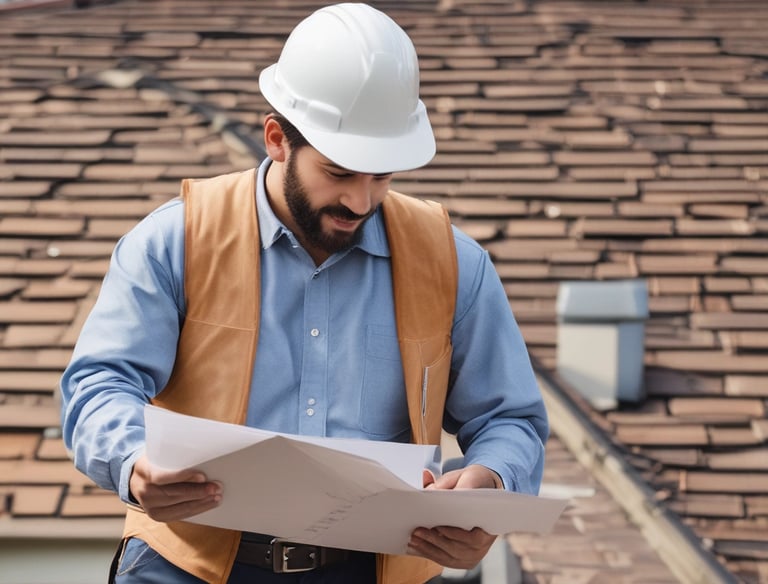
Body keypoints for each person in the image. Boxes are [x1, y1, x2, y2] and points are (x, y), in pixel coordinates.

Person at [60, 3, 548, 583]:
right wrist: (135, 459)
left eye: (383, 175)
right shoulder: (175, 242)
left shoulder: (454, 263)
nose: (362, 201)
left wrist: (490, 484)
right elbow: (98, 385)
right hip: (183, 567)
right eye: (340, 172)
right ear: (276, 139)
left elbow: (510, 418)